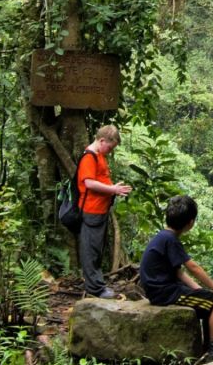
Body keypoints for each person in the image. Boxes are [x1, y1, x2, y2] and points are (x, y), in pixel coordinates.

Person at [140, 195, 213, 362]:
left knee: (208, 298)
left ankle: (209, 347)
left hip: (160, 290)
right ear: (191, 222)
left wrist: (199, 290)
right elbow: (192, 267)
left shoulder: (163, 236)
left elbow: (179, 273)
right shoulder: (171, 240)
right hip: (165, 293)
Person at [77, 124, 132, 298]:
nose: (110, 150)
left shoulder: (99, 155)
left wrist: (114, 189)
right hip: (91, 210)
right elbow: (89, 183)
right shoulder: (89, 157)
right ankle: (95, 288)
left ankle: (97, 284)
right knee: (90, 250)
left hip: (100, 209)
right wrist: (113, 190)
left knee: (97, 249)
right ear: (101, 141)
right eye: (109, 147)